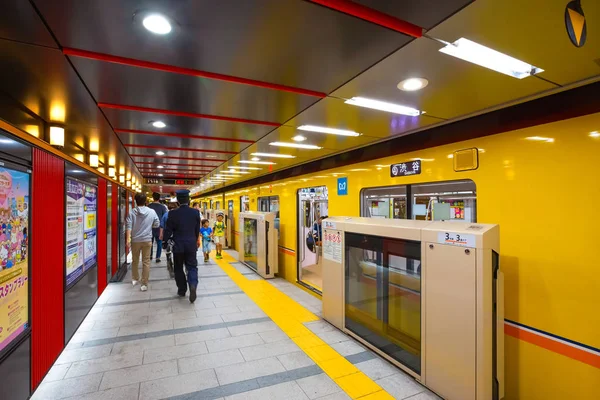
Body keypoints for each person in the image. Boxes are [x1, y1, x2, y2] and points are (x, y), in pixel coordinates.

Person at [163, 190, 201, 303]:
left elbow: (168, 230)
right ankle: (193, 284)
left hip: (178, 245)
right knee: (192, 267)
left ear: (178, 201)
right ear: (188, 200)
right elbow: (196, 229)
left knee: (178, 267)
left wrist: (165, 242)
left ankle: (182, 289)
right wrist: (196, 240)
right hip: (191, 245)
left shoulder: (172, 213)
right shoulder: (195, 213)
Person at [126, 193, 160, 292]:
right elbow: (157, 223)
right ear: (145, 201)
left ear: (136, 201)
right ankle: (144, 284)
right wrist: (149, 226)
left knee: (135, 260)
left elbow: (129, 226)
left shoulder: (132, 212)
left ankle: (135, 278)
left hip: (135, 240)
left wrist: (128, 239)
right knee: (146, 262)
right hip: (147, 240)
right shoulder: (152, 212)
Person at [148, 193, 168, 263]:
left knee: (150, 242)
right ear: (159, 198)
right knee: (159, 242)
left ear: (152, 198)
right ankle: (158, 257)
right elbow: (165, 218)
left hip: (150, 227)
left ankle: (150, 255)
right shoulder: (163, 207)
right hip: (159, 227)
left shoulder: (148, 206)